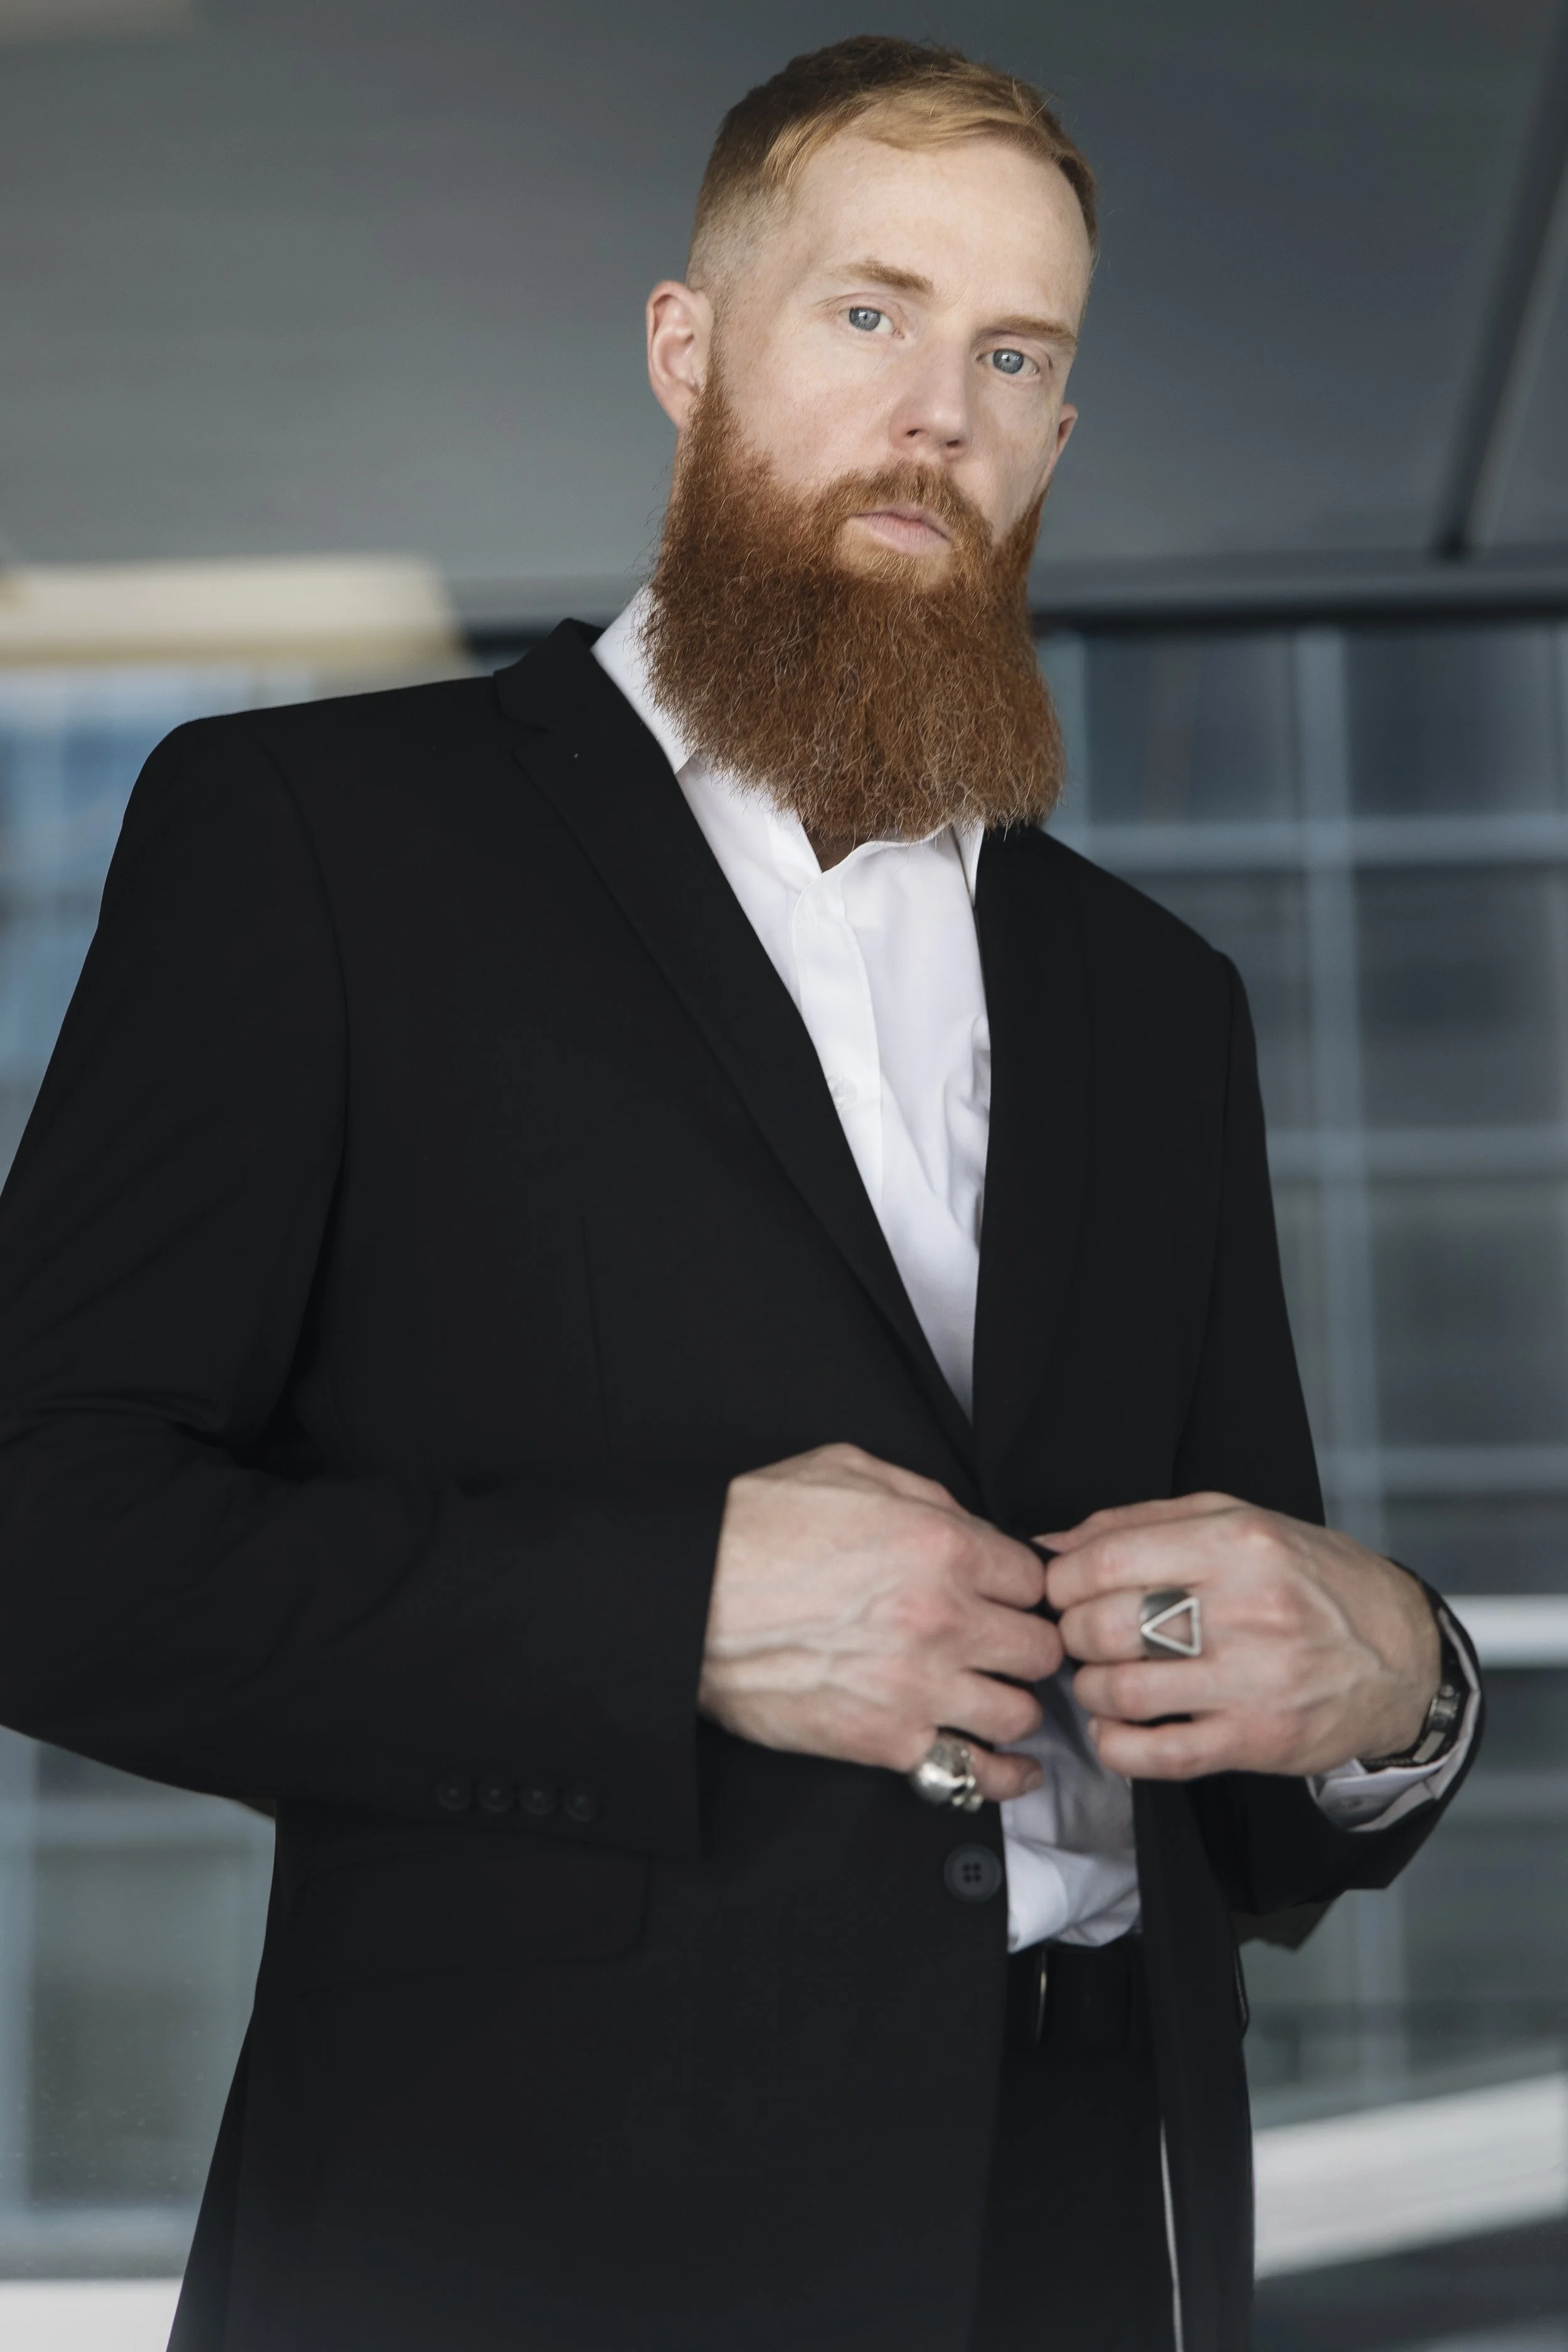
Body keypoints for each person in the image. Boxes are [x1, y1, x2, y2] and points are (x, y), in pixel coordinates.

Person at [0, 36, 1479, 2352]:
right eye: (868, 313)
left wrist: (1399, 1682)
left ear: (1059, 437)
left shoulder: (1150, 998)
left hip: (1073, 2243)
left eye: (1013, 355)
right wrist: (673, 1607)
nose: (941, 410)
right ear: (687, 351)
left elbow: (1242, 1725)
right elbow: (41, 1527)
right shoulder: (321, 840)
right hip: (523, 2252)